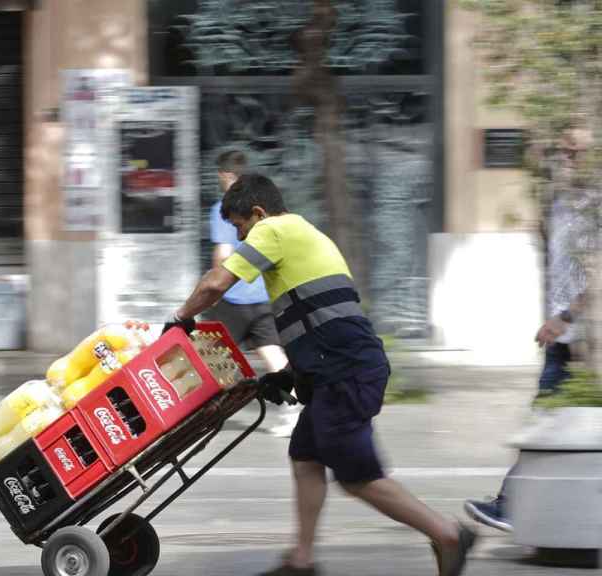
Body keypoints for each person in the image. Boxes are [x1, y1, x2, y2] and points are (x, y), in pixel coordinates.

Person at [163, 173, 477, 576]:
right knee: (306, 457)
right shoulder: (304, 234)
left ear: (258, 213)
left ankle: (448, 533)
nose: (241, 238)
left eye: (241, 227)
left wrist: (179, 319)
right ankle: (301, 559)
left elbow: (216, 283)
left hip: (345, 372)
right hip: (340, 366)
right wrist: (290, 373)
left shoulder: (274, 229)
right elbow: (322, 316)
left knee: (358, 478)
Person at [464, 128, 595, 532]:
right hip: (565, 338)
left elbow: (597, 275)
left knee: (545, 420)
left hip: (582, 337)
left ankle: (511, 504)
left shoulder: (594, 206)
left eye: (576, 152)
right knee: (548, 420)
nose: (567, 158)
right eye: (563, 150)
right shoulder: (558, 202)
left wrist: (565, 318)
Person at [208, 150, 296, 436]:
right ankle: (292, 406)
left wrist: (215, 289)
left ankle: (208, 410)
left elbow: (223, 253)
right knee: (270, 348)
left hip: (234, 294)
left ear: (224, 175)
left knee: (211, 355)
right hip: (263, 295)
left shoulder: (225, 207)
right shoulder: (262, 208)